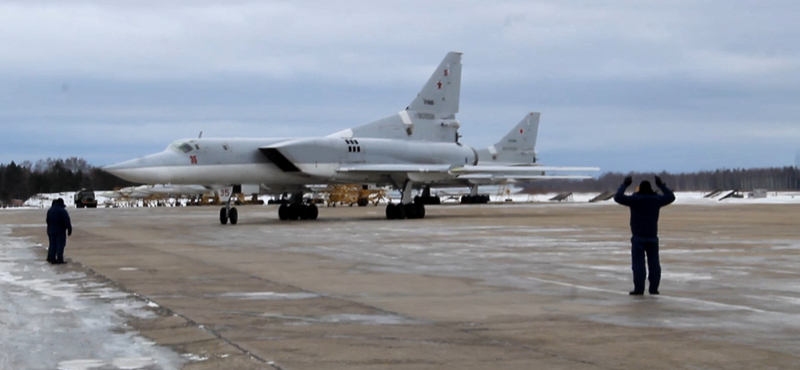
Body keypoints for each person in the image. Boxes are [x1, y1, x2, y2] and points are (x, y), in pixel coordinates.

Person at [614, 176, 675, 295]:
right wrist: (661, 185)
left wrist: (624, 185)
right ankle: (654, 288)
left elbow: (618, 197)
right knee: (654, 264)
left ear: (640, 189)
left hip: (638, 237)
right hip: (652, 236)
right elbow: (671, 197)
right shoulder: (656, 199)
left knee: (638, 265)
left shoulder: (635, 200)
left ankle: (639, 288)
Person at [45, 198, 72, 264]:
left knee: (52, 244)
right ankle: (60, 259)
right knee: (60, 244)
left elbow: (47, 220)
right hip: (60, 230)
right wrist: (69, 229)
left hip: (51, 230)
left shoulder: (50, 210)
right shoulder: (62, 211)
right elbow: (67, 220)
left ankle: (52, 258)